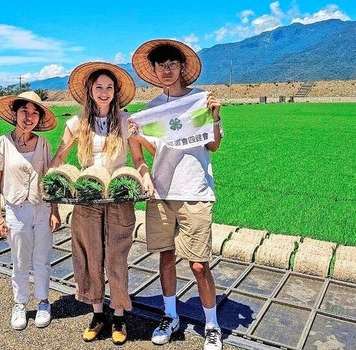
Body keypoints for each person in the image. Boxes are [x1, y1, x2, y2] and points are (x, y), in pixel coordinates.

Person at [129, 39, 224, 350]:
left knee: (199, 264)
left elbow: (212, 146)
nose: (166, 70)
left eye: (171, 64)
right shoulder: (152, 109)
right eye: (160, 66)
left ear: (182, 68)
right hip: (161, 192)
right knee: (166, 258)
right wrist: (136, 136)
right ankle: (170, 316)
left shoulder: (200, 101)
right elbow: (157, 151)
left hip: (195, 190)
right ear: (154, 71)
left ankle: (211, 324)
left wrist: (215, 118)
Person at [51, 62, 136, 345]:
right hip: (87, 197)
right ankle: (98, 313)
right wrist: (50, 181)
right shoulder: (75, 125)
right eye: (98, 86)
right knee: (90, 256)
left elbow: (138, 158)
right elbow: (60, 158)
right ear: (90, 90)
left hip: (117, 198)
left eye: (109, 87)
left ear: (115, 92)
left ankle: (120, 314)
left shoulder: (126, 121)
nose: (104, 92)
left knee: (116, 258)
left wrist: (144, 177)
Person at [0, 91, 61, 331]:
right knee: (19, 261)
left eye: (34, 113)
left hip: (42, 208)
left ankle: (43, 302)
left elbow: (51, 180)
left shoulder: (43, 144)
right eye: (24, 112)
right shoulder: (2, 143)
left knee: (42, 259)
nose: (29, 117)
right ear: (15, 114)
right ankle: (19, 304)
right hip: (16, 211)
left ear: (39, 118)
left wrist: (55, 211)